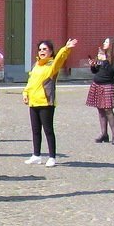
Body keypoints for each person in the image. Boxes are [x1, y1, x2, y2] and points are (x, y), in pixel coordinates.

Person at [22, 37, 78, 168]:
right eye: (40, 49)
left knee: (48, 130)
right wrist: (25, 93)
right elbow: (31, 81)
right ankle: (36, 155)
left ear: (51, 51)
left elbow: (60, 58)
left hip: (46, 102)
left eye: (45, 49)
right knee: (35, 130)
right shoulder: (36, 65)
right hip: (33, 102)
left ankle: (52, 157)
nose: (42, 51)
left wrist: (66, 48)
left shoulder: (52, 65)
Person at [86, 37, 114, 144]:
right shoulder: (101, 56)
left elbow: (111, 71)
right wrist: (93, 65)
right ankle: (104, 134)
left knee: (108, 109)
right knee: (100, 109)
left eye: (106, 42)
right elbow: (95, 71)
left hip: (107, 85)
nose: (104, 43)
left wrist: (104, 60)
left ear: (112, 45)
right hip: (97, 84)